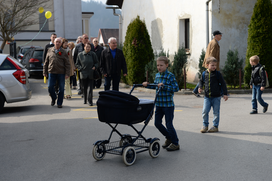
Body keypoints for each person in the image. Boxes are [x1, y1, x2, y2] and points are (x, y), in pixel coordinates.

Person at [142, 56, 180, 151]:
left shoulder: (170, 76)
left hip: (168, 105)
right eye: (158, 65)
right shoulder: (157, 75)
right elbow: (156, 86)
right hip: (159, 104)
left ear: (166, 65)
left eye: (161, 65)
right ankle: (169, 137)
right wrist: (147, 85)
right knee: (157, 123)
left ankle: (175, 143)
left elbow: (176, 88)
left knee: (169, 124)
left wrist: (165, 86)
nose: (159, 67)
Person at [198, 57, 228, 133]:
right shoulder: (204, 73)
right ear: (207, 65)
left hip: (216, 97)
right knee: (205, 111)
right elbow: (201, 81)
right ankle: (205, 126)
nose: (214, 67)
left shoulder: (218, 74)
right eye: (212, 65)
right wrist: (200, 87)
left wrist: (225, 94)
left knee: (216, 112)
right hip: (207, 97)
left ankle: (215, 126)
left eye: (215, 65)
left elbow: (223, 84)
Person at [193, 30, 222, 97]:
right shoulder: (214, 43)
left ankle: (195, 90)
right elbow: (211, 54)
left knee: (205, 77)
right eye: (220, 35)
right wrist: (212, 64)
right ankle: (196, 90)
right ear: (216, 36)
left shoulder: (213, 42)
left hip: (210, 63)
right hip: (212, 63)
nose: (221, 37)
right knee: (206, 77)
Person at [43, 38, 70, 108]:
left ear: (61, 44)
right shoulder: (49, 50)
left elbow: (67, 63)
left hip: (61, 72)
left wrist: (67, 73)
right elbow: (46, 62)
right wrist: (44, 72)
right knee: (50, 87)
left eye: (59, 42)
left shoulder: (63, 51)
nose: (57, 43)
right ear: (54, 43)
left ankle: (59, 103)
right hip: (51, 71)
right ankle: (54, 98)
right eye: (56, 42)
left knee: (61, 88)